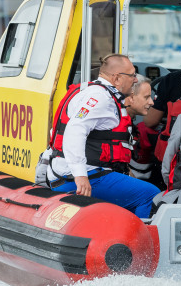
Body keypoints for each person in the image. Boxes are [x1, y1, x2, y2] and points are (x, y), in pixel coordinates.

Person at [44, 54, 161, 218]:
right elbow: (75, 129)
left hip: (69, 173)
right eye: (132, 75)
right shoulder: (100, 97)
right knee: (151, 194)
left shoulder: (93, 91)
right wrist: (80, 175)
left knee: (133, 189)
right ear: (117, 78)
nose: (135, 80)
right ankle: (140, 241)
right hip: (76, 177)